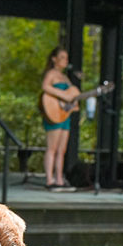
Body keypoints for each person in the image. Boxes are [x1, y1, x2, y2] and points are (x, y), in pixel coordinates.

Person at [41, 47, 78, 192]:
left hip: (64, 116)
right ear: (54, 59)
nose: (65, 60)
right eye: (62, 57)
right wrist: (63, 97)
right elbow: (45, 87)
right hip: (53, 113)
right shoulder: (51, 73)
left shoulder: (66, 78)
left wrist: (72, 103)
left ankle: (59, 179)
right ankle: (49, 180)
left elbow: (71, 96)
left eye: (66, 58)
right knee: (52, 148)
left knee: (61, 150)